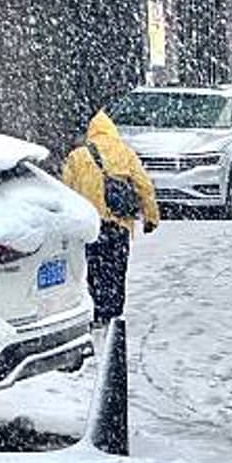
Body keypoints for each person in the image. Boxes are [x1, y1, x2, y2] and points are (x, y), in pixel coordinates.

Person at [61, 110, 160, 344]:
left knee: (94, 268)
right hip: (119, 224)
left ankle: (97, 309)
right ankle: (114, 311)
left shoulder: (78, 156)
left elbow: (67, 191)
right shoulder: (125, 154)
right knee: (116, 269)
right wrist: (151, 217)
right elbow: (144, 186)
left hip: (91, 227)